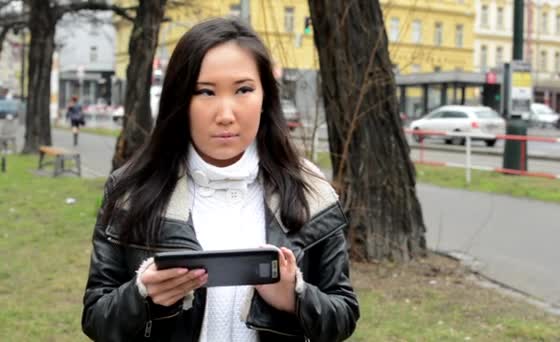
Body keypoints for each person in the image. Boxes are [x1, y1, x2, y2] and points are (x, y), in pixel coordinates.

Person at [81, 17, 359, 342]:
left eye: (243, 89)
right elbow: (96, 319)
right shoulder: (131, 190)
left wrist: (295, 297)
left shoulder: (311, 191)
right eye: (205, 92)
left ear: (265, 97)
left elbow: (343, 315)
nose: (225, 114)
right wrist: (142, 295)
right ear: (179, 100)